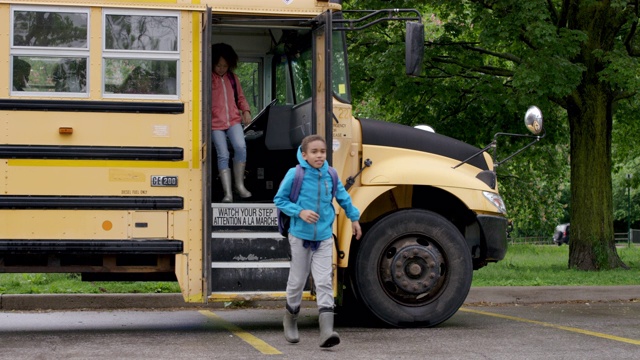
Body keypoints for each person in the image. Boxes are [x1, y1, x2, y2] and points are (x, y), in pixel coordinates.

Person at [273, 134, 362, 348]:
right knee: (297, 281)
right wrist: (300, 212)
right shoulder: (295, 174)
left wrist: (354, 218)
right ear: (304, 155)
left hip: (323, 237)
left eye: (322, 151)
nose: (319, 155)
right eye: (314, 152)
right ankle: (290, 320)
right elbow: (279, 199)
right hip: (299, 236)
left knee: (323, 281)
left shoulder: (330, 174)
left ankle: (327, 331)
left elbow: (343, 197)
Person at [211, 43, 252, 202]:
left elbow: (240, 98)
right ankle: (227, 193)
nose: (221, 68)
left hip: (234, 120)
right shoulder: (208, 79)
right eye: (218, 65)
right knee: (223, 154)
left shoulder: (233, 78)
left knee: (241, 147)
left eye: (225, 66)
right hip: (215, 123)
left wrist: (246, 110)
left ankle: (239, 186)